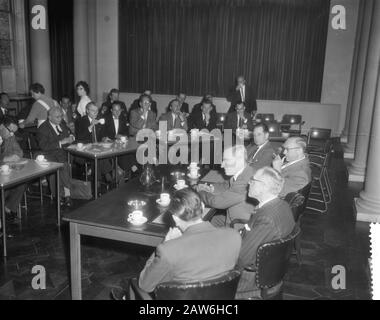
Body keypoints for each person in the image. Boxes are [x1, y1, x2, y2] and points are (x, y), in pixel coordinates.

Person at [133, 188, 241, 296]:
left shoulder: (168, 250)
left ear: (175, 218)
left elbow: (145, 285)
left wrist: (166, 242)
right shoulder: (234, 236)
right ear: (203, 207)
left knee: (132, 285)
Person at [236, 167, 295, 299]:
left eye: (253, 180)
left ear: (264, 187)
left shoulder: (266, 219)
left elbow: (242, 258)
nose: (249, 183)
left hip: (252, 281)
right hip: (270, 270)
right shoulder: (283, 205)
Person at [195, 145, 256, 227]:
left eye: (226, 160)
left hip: (239, 224)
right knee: (214, 220)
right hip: (234, 215)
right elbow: (226, 185)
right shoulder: (246, 171)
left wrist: (201, 191)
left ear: (239, 159)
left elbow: (217, 202)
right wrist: (211, 188)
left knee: (201, 224)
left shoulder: (245, 181)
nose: (222, 165)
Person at [37, 107, 75, 207]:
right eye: (57, 117)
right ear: (49, 117)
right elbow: (43, 146)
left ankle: (66, 195)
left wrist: (71, 137)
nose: (60, 118)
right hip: (49, 155)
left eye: (61, 116)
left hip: (62, 153)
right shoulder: (43, 128)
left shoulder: (62, 124)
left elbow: (70, 134)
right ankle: (60, 195)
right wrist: (61, 142)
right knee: (58, 169)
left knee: (64, 165)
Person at [76, 102, 113, 184]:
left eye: (97, 111)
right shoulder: (80, 121)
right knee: (98, 155)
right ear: (87, 111)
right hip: (84, 149)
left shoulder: (100, 120)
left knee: (101, 153)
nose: (96, 113)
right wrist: (90, 126)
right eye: (93, 111)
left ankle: (98, 181)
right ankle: (105, 175)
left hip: (98, 147)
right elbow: (79, 137)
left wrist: (104, 138)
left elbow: (103, 135)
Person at [0, 118, 26, 220]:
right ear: (2, 126)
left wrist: (15, 156)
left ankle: (9, 207)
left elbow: (19, 152)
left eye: (14, 132)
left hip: (5, 170)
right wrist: (5, 159)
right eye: (10, 131)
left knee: (21, 182)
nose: (12, 134)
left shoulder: (10, 136)